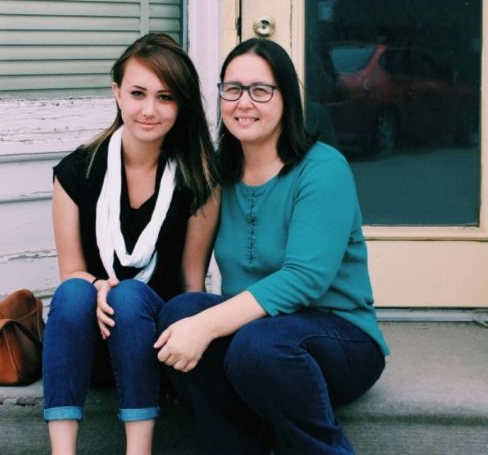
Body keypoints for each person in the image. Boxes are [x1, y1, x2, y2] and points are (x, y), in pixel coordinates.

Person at [154, 38, 390, 455]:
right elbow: (189, 272)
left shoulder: (322, 168)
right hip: (256, 340)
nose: (244, 103)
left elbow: (304, 280)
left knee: (255, 345)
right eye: (233, 89)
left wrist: (206, 327)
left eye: (260, 90)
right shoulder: (219, 175)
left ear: (287, 99)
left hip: (339, 339)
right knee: (179, 312)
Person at [43, 33, 219, 455]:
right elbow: (72, 271)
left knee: (130, 295)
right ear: (116, 92)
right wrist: (97, 284)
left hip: (158, 347)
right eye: (138, 93)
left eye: (165, 97)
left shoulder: (199, 181)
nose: (149, 110)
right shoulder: (74, 173)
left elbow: (191, 286)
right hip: (92, 344)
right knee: (73, 291)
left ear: (181, 105)